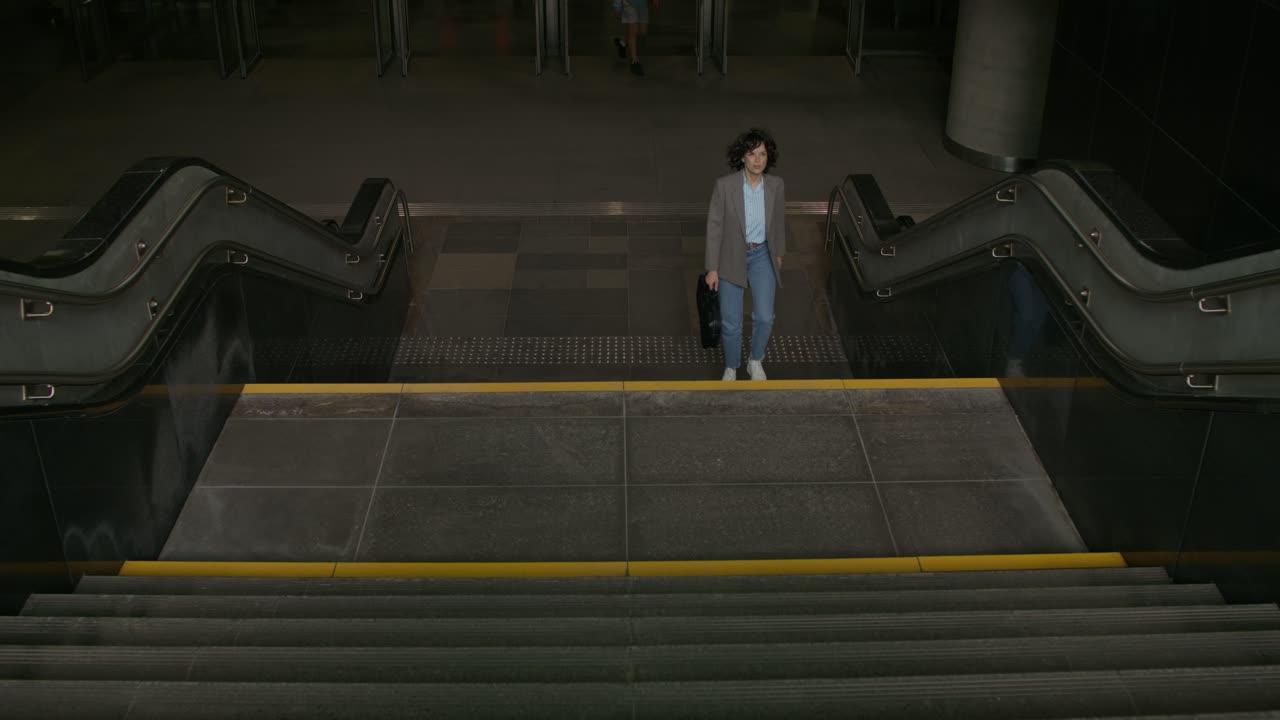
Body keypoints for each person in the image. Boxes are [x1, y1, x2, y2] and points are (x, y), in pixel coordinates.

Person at [704, 128, 785, 381]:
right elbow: (714, 227)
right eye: (752, 154)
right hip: (731, 256)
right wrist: (712, 267)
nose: (758, 160)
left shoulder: (776, 185)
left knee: (764, 316)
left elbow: (779, 221)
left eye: (762, 154)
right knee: (731, 322)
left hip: (762, 255)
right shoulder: (725, 186)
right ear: (742, 158)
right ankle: (731, 365)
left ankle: (755, 360)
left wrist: (779, 253)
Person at [612, 0, 660, 77]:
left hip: (642, 4)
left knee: (642, 31)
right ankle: (634, 61)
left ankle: (622, 43)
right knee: (633, 31)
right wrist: (617, 6)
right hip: (628, 4)